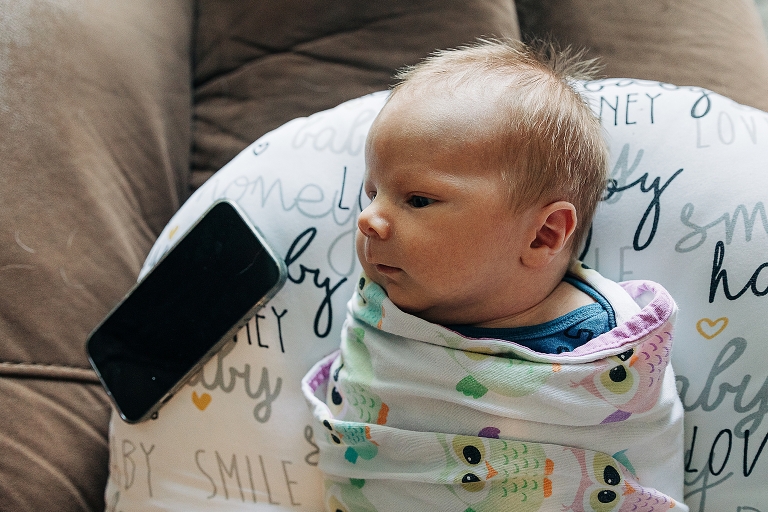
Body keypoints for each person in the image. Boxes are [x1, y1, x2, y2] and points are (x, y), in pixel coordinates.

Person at [303, 39, 687, 512]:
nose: (368, 219)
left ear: (543, 235)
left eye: (417, 200)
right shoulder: (384, 316)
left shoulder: (606, 355)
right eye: (372, 193)